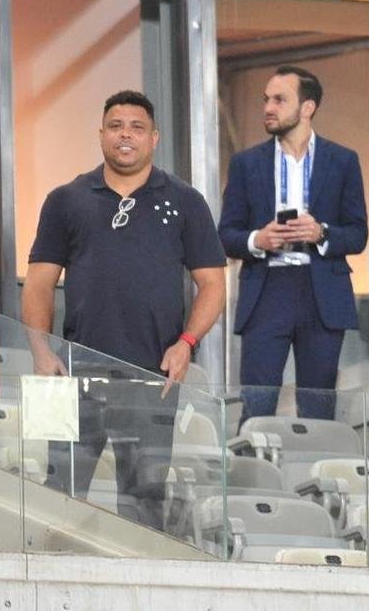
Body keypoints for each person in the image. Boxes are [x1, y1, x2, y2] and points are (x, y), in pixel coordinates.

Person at [22, 90, 226, 529]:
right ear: (101, 135)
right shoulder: (66, 199)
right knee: (58, 493)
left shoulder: (186, 202)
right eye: (115, 126)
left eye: (136, 127)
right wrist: (41, 349)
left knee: (145, 499)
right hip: (71, 374)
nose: (125, 135)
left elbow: (212, 284)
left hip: (154, 376)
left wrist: (187, 344)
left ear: (154, 138)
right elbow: (39, 282)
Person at [218, 65, 368, 423]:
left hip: (322, 294)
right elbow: (227, 234)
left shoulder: (343, 161)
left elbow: (358, 234)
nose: (268, 107)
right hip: (267, 290)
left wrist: (322, 234)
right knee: (257, 406)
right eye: (266, 99)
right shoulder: (245, 164)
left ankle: (316, 475)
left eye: (279, 99)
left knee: (318, 408)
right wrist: (259, 239)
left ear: (307, 107)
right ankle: (252, 472)